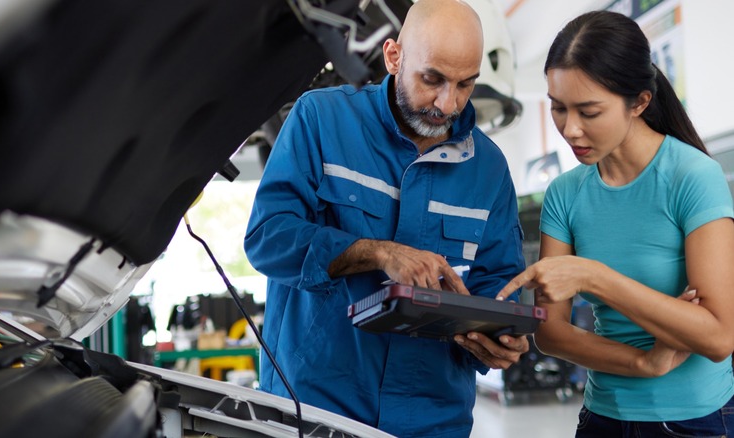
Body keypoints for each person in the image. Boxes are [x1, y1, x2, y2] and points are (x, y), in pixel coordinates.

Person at [243, 0, 529, 436]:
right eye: (432, 79)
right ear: (394, 57)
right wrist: (377, 253)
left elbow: (499, 282)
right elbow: (268, 237)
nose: (447, 103)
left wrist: (498, 338)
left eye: (465, 84)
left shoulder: (488, 168)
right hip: (317, 410)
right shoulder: (320, 120)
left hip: (434, 419)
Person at [496, 10, 734, 438]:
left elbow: (717, 337)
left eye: (589, 111)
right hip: (601, 417)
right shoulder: (565, 193)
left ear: (639, 102)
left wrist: (594, 277)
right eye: (558, 108)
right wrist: (642, 363)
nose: (570, 129)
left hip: (693, 421)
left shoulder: (693, 176)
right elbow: (550, 332)